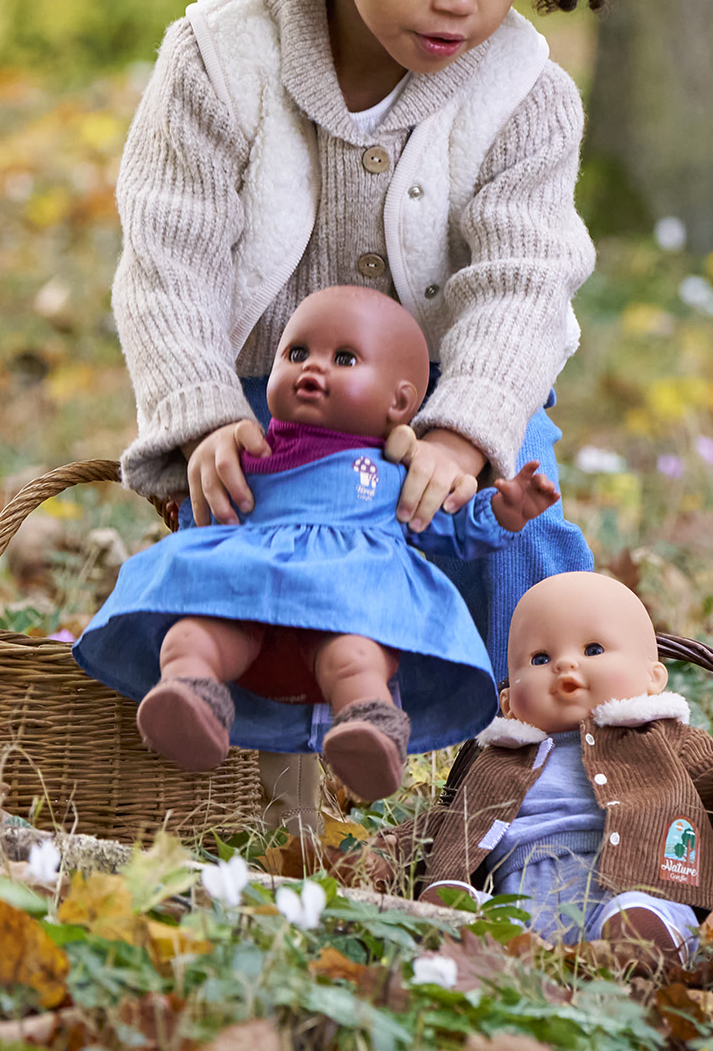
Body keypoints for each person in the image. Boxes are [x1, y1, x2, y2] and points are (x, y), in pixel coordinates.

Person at [109, 0, 635, 810]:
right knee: (247, 568)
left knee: (506, 531)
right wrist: (203, 411)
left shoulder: (524, 95)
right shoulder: (220, 52)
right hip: (273, 397)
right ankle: (267, 778)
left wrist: (464, 422)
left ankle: (564, 767)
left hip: (445, 392)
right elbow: (171, 254)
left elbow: (522, 275)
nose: (460, 1)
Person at [74, 286, 572, 799]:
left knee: (357, 659)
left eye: (344, 358)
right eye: (296, 354)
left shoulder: (394, 473)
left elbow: (450, 524)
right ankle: (191, 699)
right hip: (248, 604)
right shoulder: (249, 447)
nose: (313, 368)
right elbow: (214, 508)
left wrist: (502, 510)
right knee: (189, 636)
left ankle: (367, 727)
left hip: (346, 610)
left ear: (400, 400)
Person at [412, 572, 713, 959]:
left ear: (653, 679)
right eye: (540, 658)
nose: (564, 666)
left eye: (593, 650)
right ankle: (478, 933)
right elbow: (449, 819)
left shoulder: (658, 737)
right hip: (517, 898)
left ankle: (644, 942)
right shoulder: (498, 757)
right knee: (472, 911)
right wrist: (382, 850)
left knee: (644, 911)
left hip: (635, 884)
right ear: (509, 702)